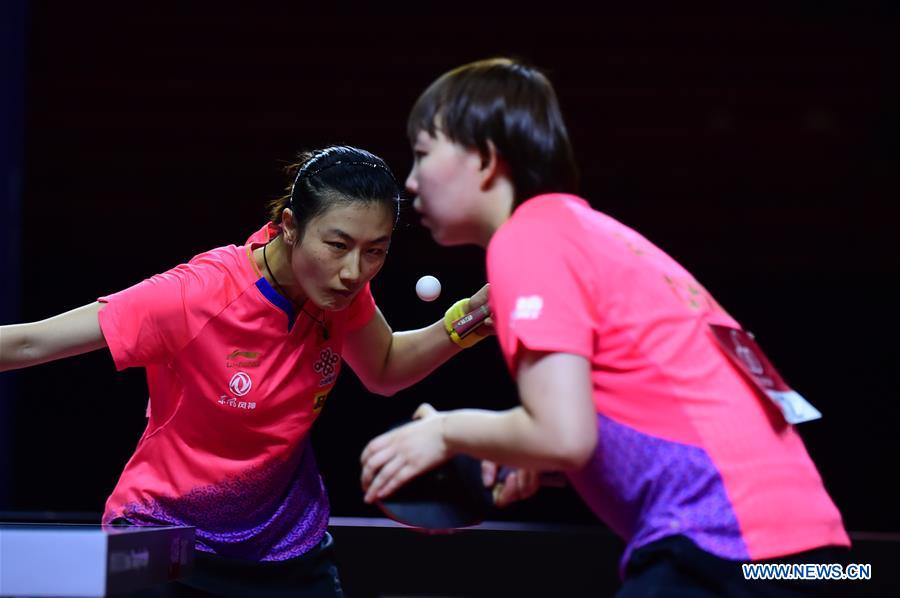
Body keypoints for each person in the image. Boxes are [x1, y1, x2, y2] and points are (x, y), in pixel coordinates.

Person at [359, 58, 851, 596]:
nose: (410, 179)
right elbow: (625, 416)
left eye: (423, 153)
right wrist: (530, 454)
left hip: (724, 545)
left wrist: (445, 431)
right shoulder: (592, 232)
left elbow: (563, 435)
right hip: (812, 556)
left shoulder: (528, 239)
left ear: (484, 159)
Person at [0, 144, 491, 596]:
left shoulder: (338, 290)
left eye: (375, 251)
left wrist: (466, 322)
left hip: (288, 551)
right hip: (169, 544)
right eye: (337, 245)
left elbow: (383, 367)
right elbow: (28, 342)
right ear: (290, 226)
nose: (354, 271)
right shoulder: (196, 295)